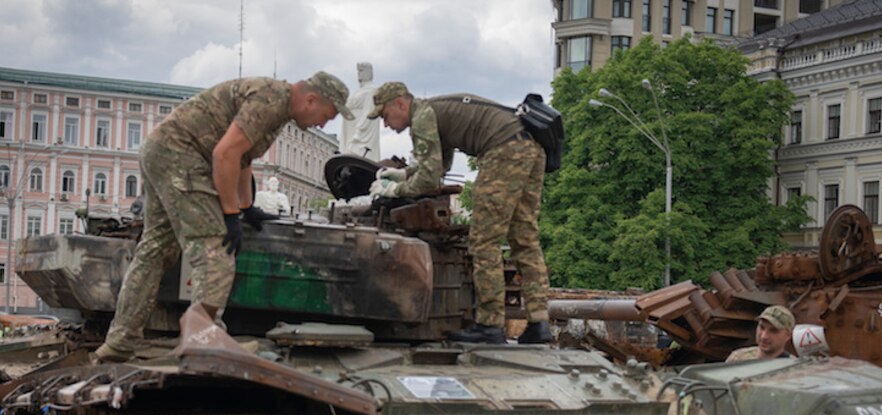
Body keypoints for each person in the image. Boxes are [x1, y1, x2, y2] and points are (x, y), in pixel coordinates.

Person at [96, 72, 354, 362]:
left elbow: (242, 157)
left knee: (154, 250)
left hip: (162, 152)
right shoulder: (272, 100)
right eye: (327, 116)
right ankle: (205, 340)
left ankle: (120, 341)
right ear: (311, 99)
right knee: (216, 252)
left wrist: (246, 206)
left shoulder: (278, 105)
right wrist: (230, 215)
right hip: (184, 158)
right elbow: (224, 155)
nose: (323, 123)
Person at [367, 82, 551, 344]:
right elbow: (441, 164)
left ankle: (490, 325)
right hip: (530, 146)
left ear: (399, 103)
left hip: (503, 150)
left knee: (484, 241)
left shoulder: (422, 117)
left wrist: (394, 190)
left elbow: (430, 180)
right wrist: (405, 173)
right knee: (525, 239)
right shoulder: (436, 109)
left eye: (385, 116)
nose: (385, 124)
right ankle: (539, 322)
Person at [339, 62, 381, 160]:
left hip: (359, 131)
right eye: (358, 71)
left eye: (361, 71)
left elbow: (369, 114)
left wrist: (358, 135)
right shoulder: (358, 91)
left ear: (368, 72)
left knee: (356, 156)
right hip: (350, 128)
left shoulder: (372, 90)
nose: (359, 74)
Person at [725, 305, 796, 362]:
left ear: (788, 335)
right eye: (762, 327)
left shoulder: (794, 368)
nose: (764, 336)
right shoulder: (737, 358)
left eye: (773, 331)